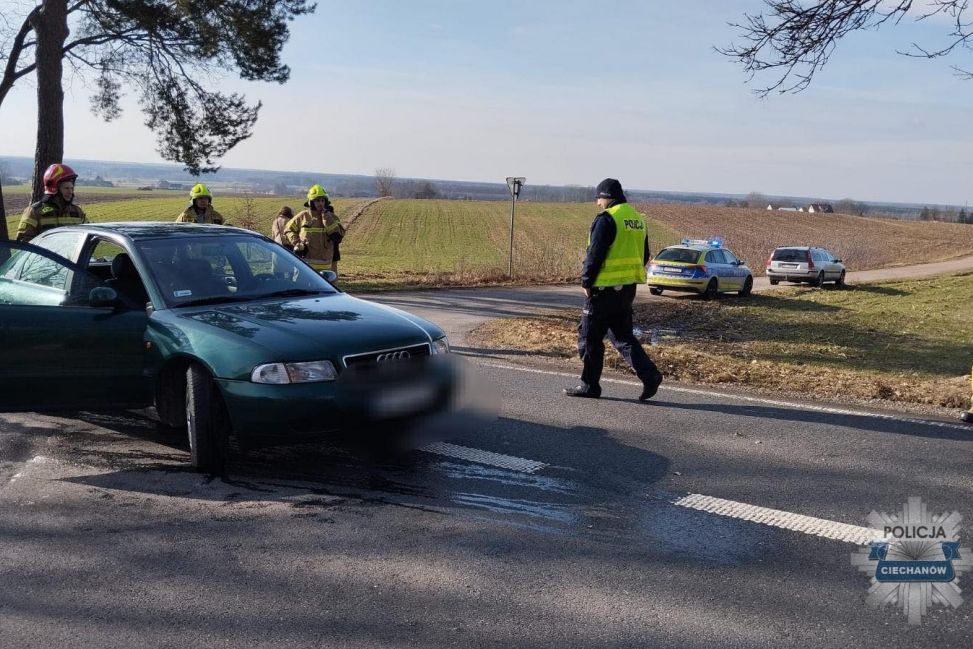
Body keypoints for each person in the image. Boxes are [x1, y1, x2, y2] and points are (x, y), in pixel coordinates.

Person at [564, 178, 663, 400]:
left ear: (607, 197)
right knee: (623, 336)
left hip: (603, 289)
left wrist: (586, 281)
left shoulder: (607, 218)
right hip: (627, 289)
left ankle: (590, 385)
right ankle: (650, 375)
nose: (598, 203)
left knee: (589, 337)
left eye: (599, 198)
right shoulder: (637, 219)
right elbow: (644, 254)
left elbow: (595, 253)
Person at [16, 163, 87, 242]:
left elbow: (87, 237)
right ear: (54, 188)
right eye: (66, 188)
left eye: (71, 188)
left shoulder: (77, 212)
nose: (70, 192)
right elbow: (23, 241)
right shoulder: (34, 212)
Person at [285, 184, 345, 274]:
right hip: (304, 264)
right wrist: (297, 243)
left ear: (326, 201)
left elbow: (339, 235)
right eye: (317, 201)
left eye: (322, 200)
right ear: (310, 202)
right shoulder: (303, 216)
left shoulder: (332, 217)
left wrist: (327, 218)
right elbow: (288, 230)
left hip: (326, 266)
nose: (320, 203)